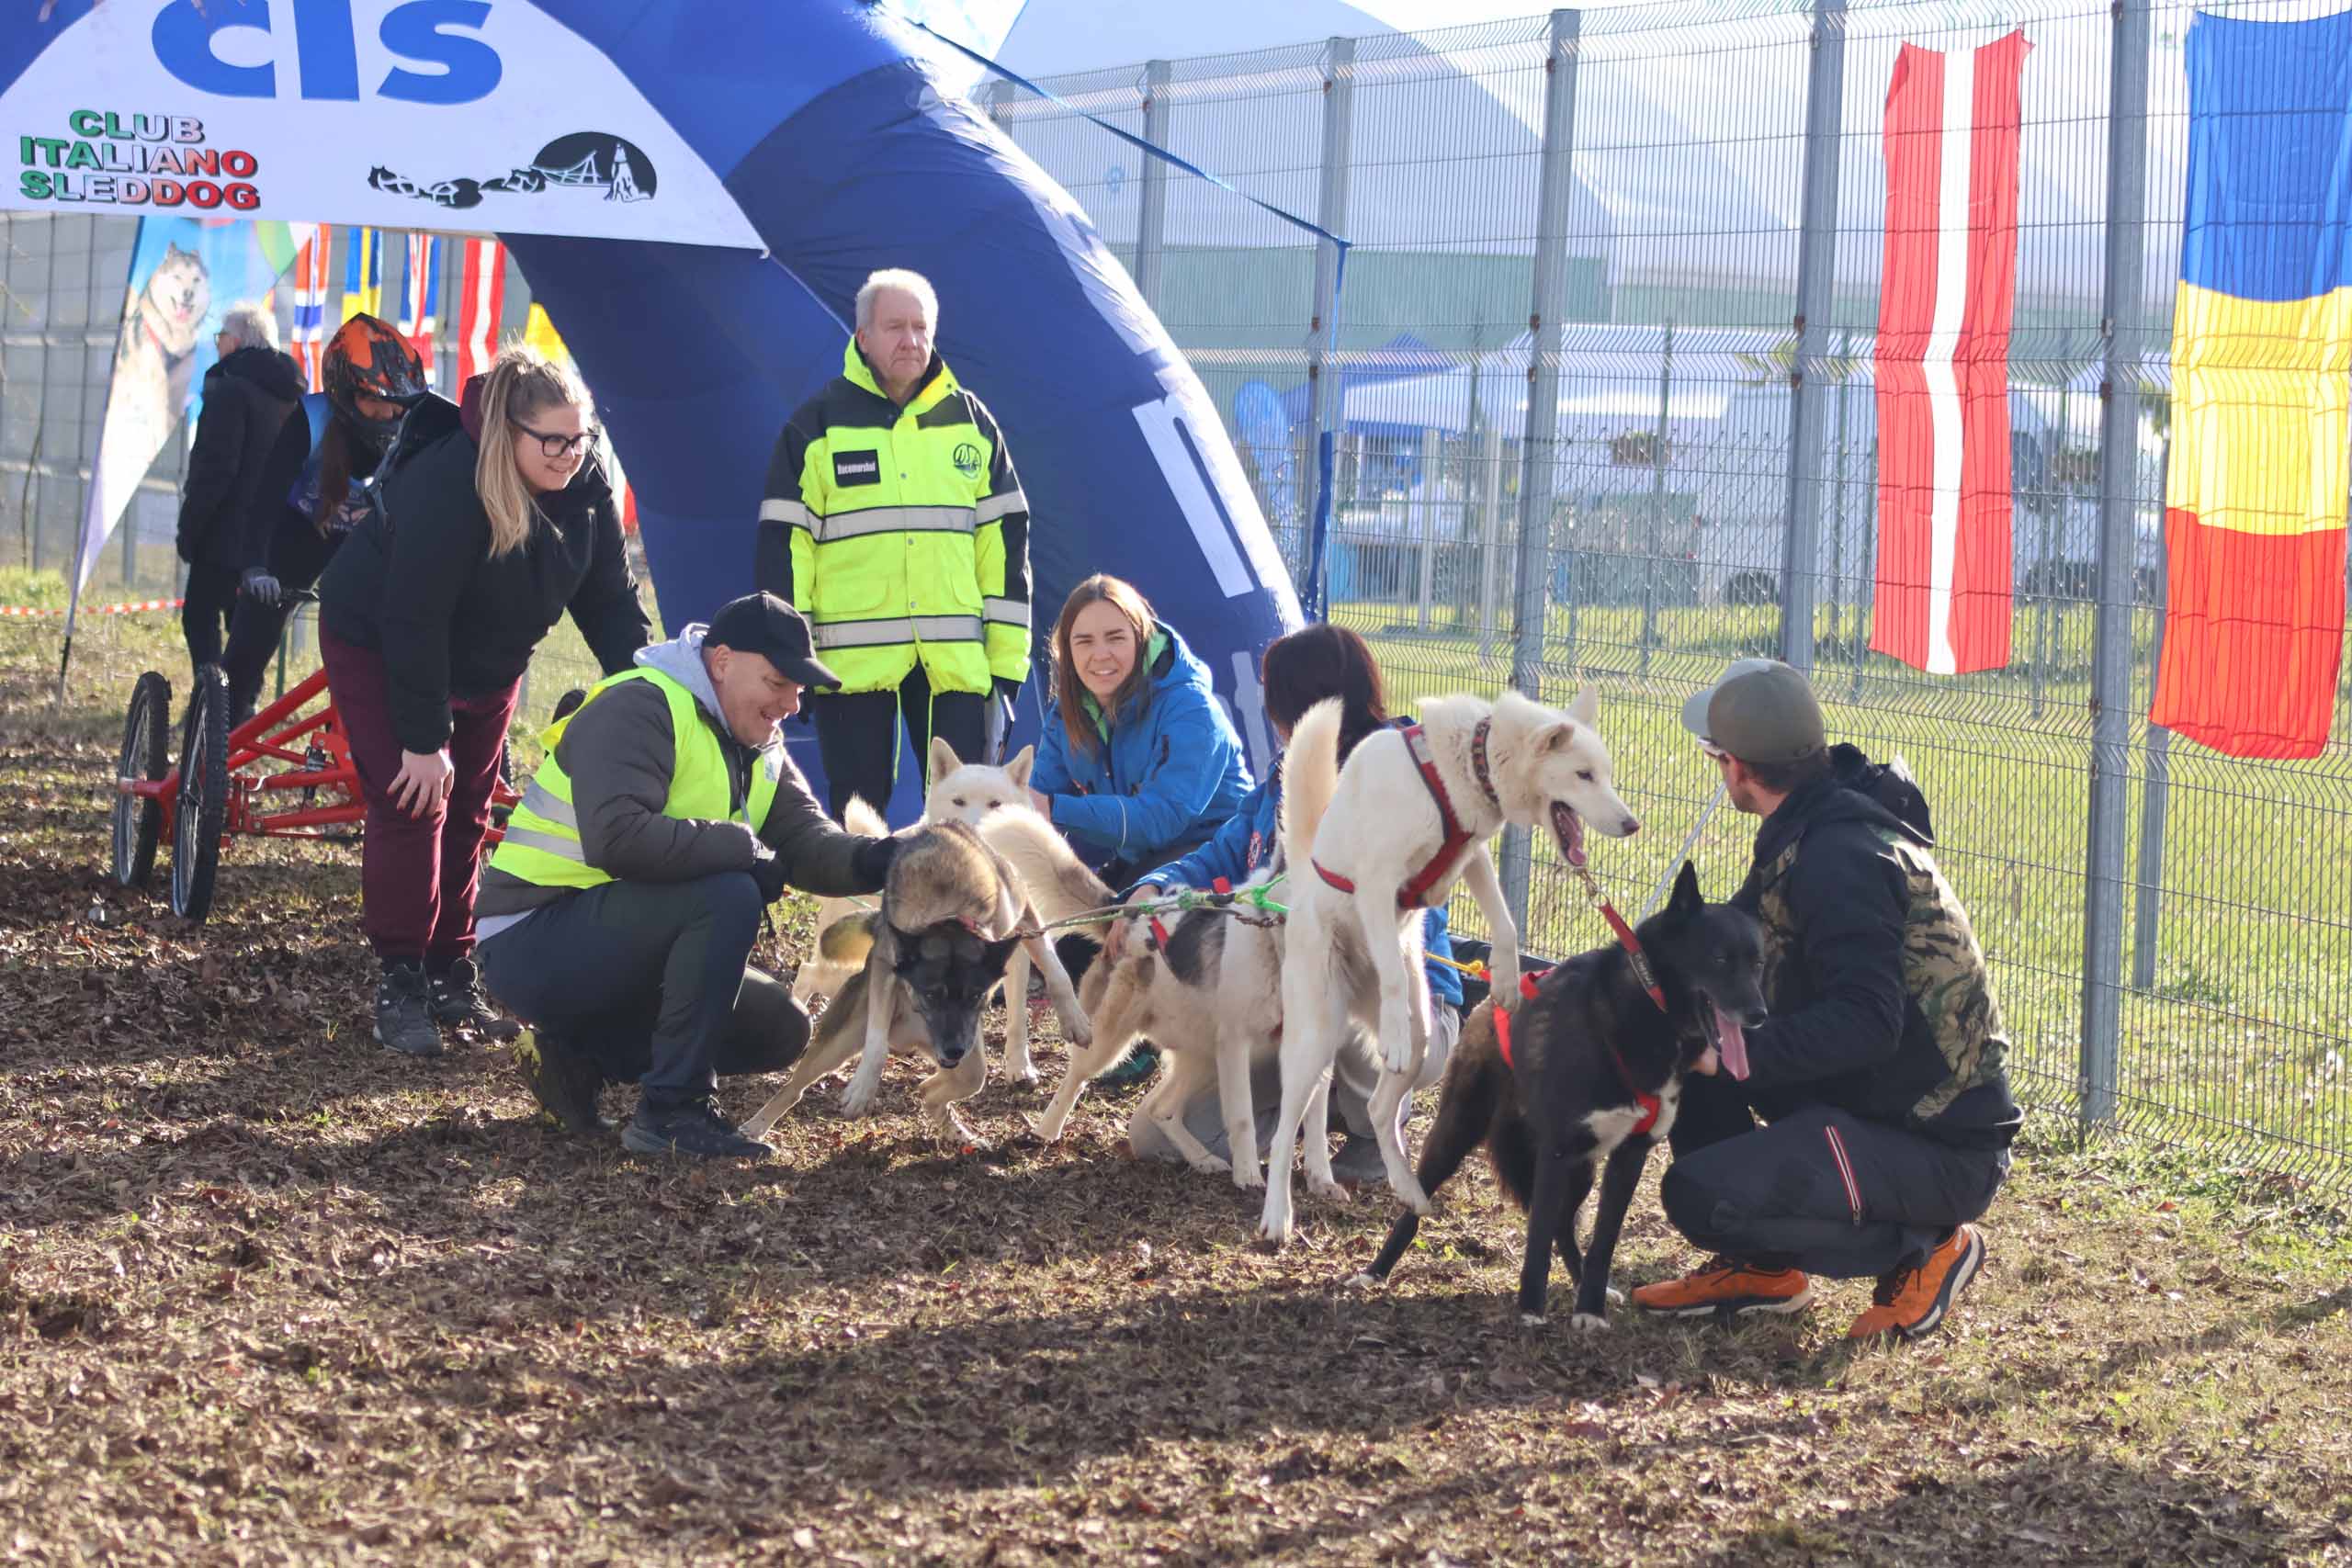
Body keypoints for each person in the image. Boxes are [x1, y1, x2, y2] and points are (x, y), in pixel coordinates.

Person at [1630, 659, 2020, 1341]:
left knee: (1699, 1195)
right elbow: (1723, 945)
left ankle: (1930, 1245)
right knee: (1684, 1034)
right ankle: (1764, 1269)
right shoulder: (1810, 825)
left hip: (1940, 1145)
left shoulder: (1841, 858)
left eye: (1716, 757)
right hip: (1872, 1099)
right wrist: (1618, 985)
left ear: (1735, 766)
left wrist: (1733, 1057)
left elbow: (1868, 1022)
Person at [317, 344, 652, 1060]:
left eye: (581, 438)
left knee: (471, 803)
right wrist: (421, 737)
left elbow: (611, 603)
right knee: (414, 800)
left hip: (491, 656)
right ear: (511, 431)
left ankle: (450, 969)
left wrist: (650, 691)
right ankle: (401, 979)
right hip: (382, 637)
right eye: (553, 441)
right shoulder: (453, 481)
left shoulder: (585, 485)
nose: (571, 454)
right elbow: (414, 616)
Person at [477, 592, 899, 1159]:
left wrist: (886, 858)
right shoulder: (640, 706)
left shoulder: (757, 744)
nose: (791, 704)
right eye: (777, 682)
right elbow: (619, 838)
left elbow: (807, 843)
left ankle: (577, 1058)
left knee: (780, 1027)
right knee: (728, 894)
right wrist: (741, 849)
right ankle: (672, 1111)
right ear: (721, 662)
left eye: (798, 689)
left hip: (614, 934)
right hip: (531, 936)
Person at [1112, 623, 1463, 1184]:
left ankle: (1375, 1131)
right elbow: (1219, 854)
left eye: (1272, 700)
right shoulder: (1282, 783)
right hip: (1286, 1006)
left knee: (1337, 994)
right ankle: (1293, 1115)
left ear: (1295, 708)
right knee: (1155, 1140)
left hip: (1398, 1006)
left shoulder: (1400, 782)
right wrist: (1154, 890)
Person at [756, 267, 1032, 817]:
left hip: (955, 666)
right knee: (858, 819)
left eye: (921, 327)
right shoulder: (816, 427)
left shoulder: (973, 424)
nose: (911, 340)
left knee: (965, 822)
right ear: (863, 337)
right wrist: (793, 656)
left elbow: (1003, 549)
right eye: (895, 327)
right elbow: (786, 551)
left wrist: (1004, 669)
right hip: (850, 669)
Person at [1027, 572, 1252, 1088]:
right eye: (1083, 641)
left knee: (1139, 930)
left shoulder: (1190, 706)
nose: (1100, 655)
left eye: (1115, 638)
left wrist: (1055, 807)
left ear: (1141, 636)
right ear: (1065, 651)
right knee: (1073, 943)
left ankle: (1152, 1041)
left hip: (1210, 852)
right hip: (1143, 855)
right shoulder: (1068, 711)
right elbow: (1036, 801)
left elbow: (1162, 818)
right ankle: (1128, 1028)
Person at [219, 314, 425, 719]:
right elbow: (264, 497)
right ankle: (219, 726)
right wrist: (255, 567)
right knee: (252, 639)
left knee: (384, 637)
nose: (389, 413)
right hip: (298, 531)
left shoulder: (413, 431)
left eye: (398, 404)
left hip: (365, 540)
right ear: (345, 394)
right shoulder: (311, 419)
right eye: (376, 400)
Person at [175, 301, 306, 682]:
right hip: (269, 534)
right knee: (244, 627)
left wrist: (190, 529)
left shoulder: (231, 390)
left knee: (199, 615)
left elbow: (215, 469)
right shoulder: (292, 396)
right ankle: (239, 702)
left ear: (238, 341)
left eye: (221, 336)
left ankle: (210, 702)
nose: (217, 344)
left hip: (223, 533)